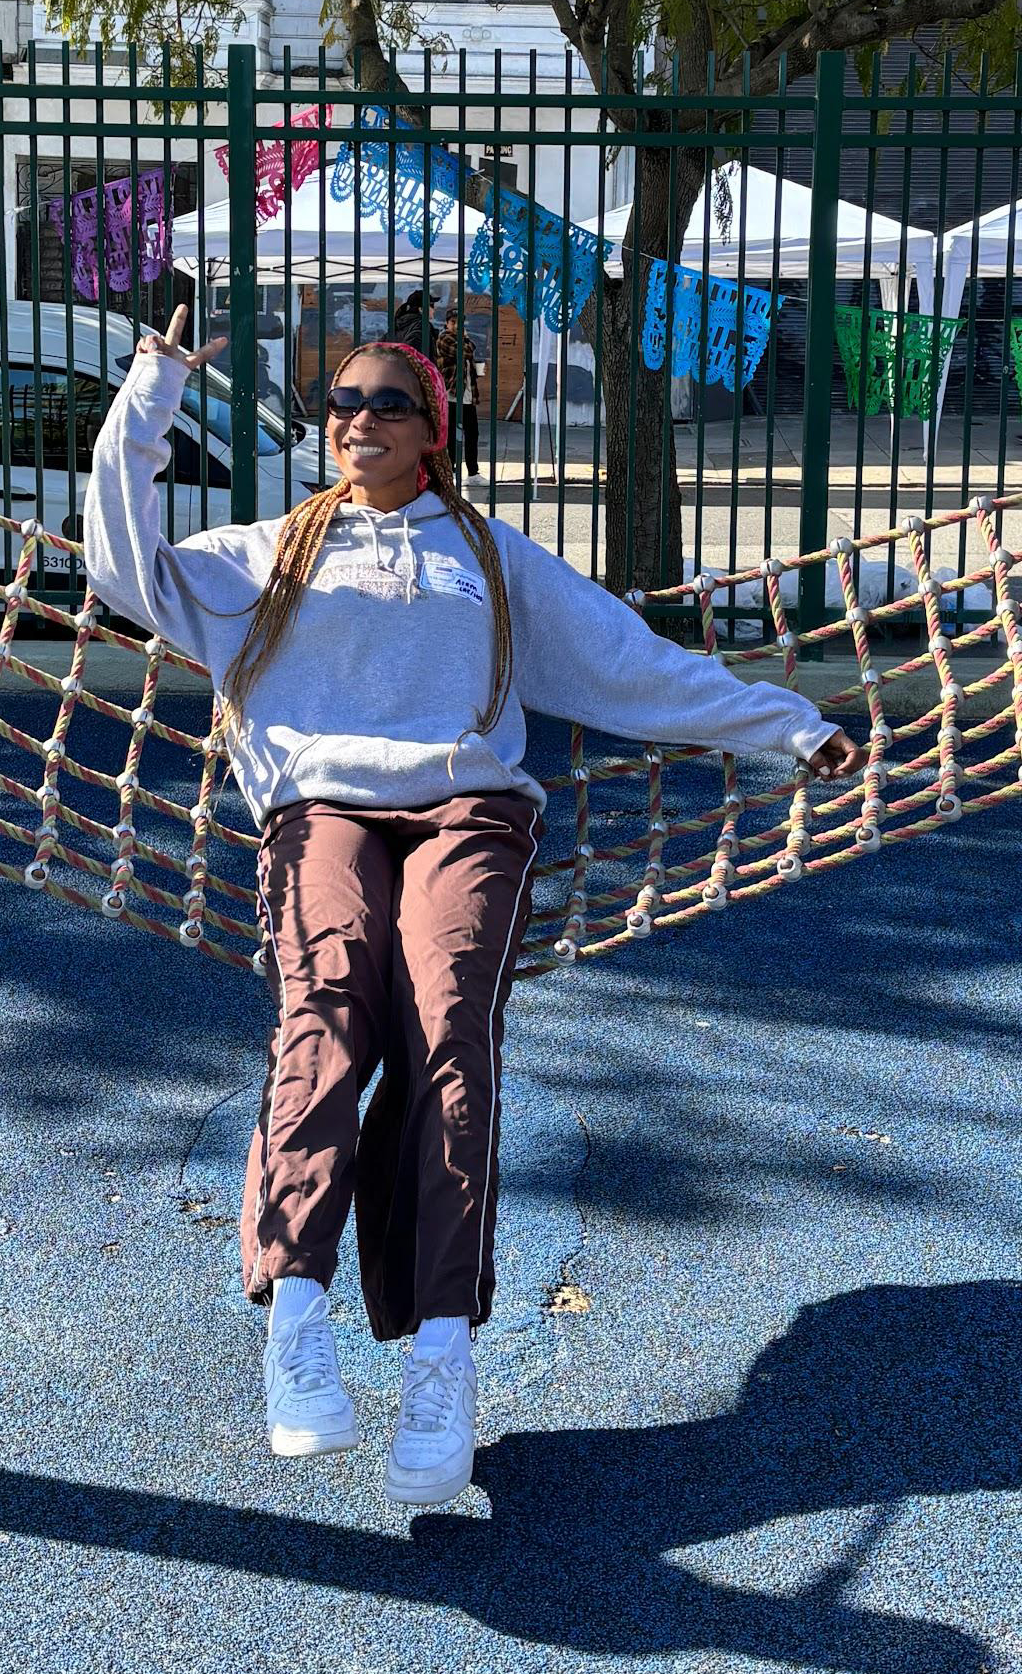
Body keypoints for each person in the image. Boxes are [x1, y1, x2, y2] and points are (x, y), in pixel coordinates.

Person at [84, 309, 864, 1508]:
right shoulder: (273, 553)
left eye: (385, 401)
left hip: (467, 811)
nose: (355, 418)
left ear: (434, 431)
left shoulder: (492, 560)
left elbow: (633, 664)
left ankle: (443, 1353)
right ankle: (298, 1314)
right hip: (322, 808)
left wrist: (789, 729)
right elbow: (123, 566)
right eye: (340, 400)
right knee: (327, 1002)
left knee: (451, 1033)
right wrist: (157, 382)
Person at [435, 302, 482, 481]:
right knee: (451, 435)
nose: (456, 326)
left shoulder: (463, 339)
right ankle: (451, 469)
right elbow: (465, 352)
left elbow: (470, 352)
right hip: (452, 394)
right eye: (453, 322)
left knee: (472, 433)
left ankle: (472, 471)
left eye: (459, 322)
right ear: (447, 323)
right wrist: (466, 341)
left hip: (467, 395)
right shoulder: (444, 338)